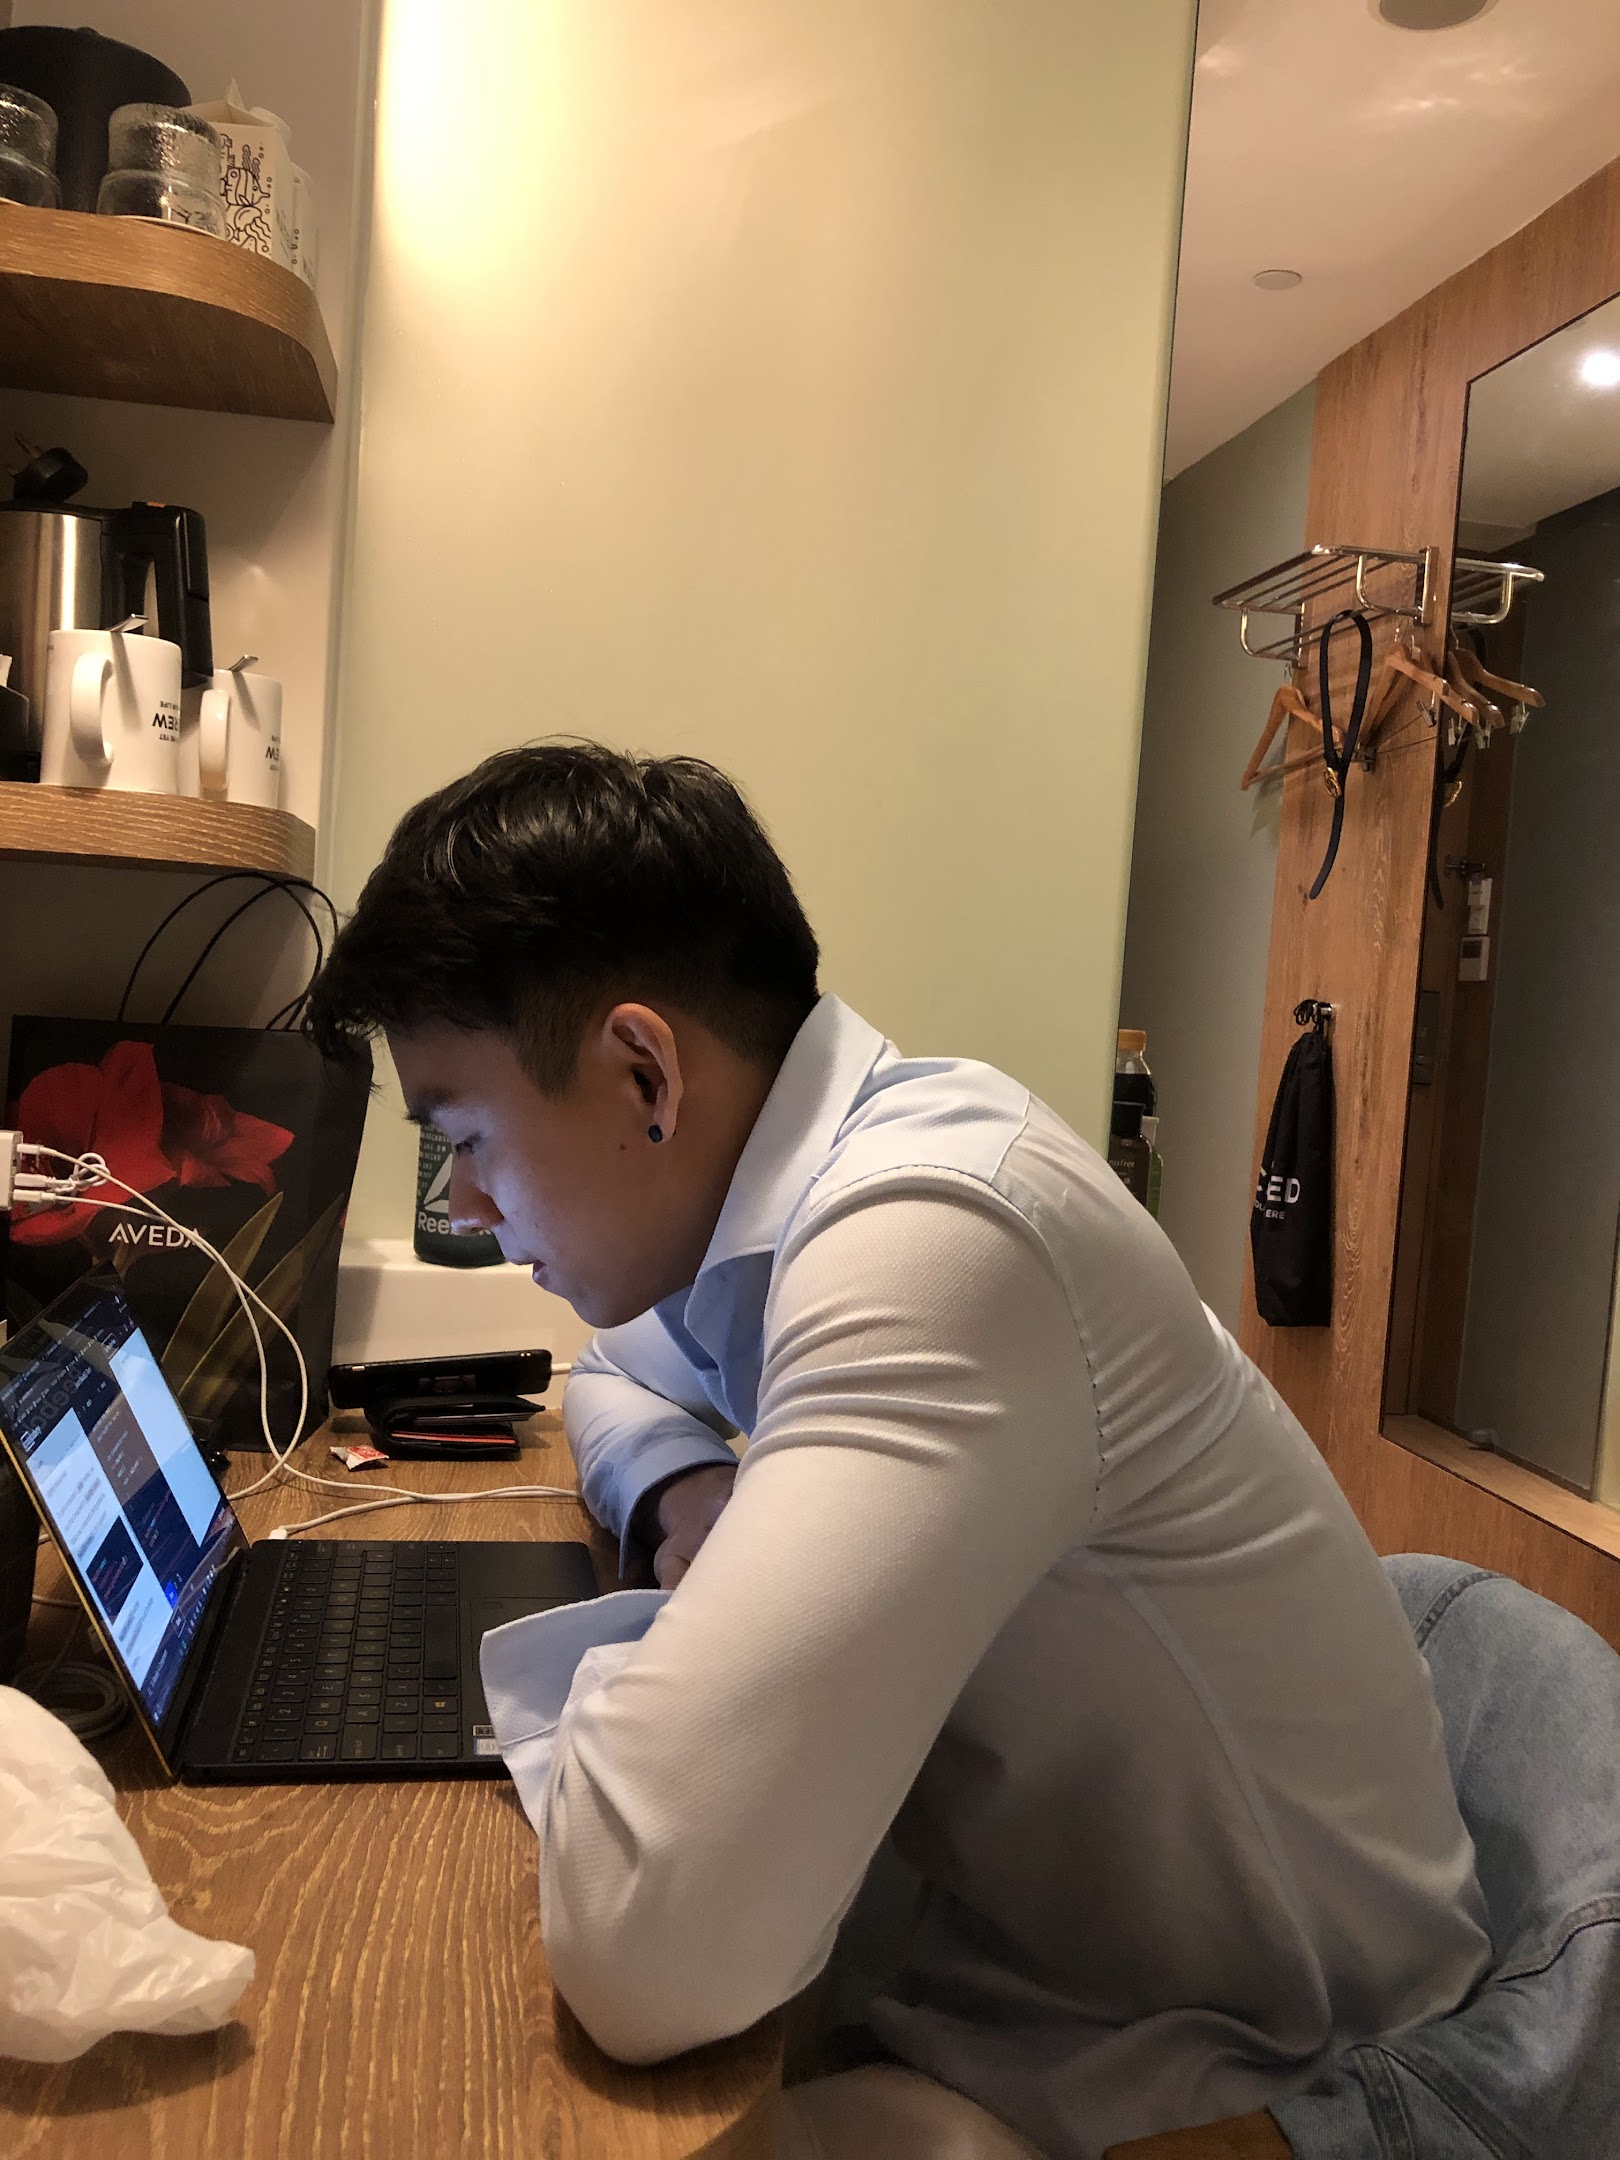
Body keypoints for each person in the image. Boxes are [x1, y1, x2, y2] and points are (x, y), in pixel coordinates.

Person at [308, 743, 1490, 2160]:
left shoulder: (935, 1236)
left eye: (464, 1135)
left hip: (1245, 2075)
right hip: (1037, 1972)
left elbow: (648, 1948)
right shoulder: (787, 1197)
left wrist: (674, 1662)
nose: (462, 1201)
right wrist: (696, 1496)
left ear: (643, 1074)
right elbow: (615, 1373)